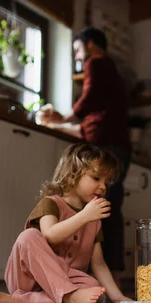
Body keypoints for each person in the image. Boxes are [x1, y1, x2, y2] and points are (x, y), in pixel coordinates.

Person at [0, 144, 131, 303]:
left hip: (68, 280)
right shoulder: (51, 203)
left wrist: (117, 297)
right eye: (96, 178)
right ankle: (65, 297)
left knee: (94, 287)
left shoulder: (94, 220)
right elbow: (50, 235)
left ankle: (21, 301)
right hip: (30, 280)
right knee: (29, 236)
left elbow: (98, 264)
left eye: (107, 182)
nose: (103, 187)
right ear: (71, 175)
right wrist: (84, 216)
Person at [38, 27, 130, 277]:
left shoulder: (97, 62)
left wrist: (62, 118)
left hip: (108, 146)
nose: (77, 58)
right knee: (108, 207)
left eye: (77, 50)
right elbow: (94, 120)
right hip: (117, 145)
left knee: (102, 207)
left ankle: (99, 269)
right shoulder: (110, 74)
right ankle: (109, 271)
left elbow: (88, 98)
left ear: (90, 45)